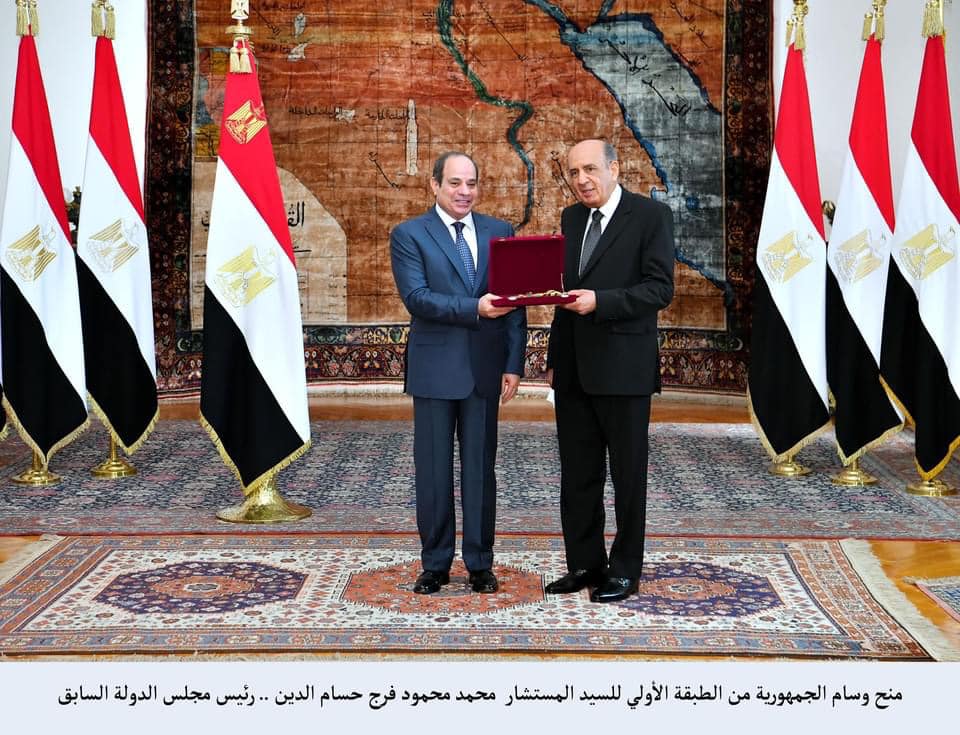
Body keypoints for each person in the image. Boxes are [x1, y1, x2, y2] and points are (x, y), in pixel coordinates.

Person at [390, 151, 527, 595]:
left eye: (471, 183)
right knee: (433, 473)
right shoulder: (409, 234)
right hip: (434, 370)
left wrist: (513, 363)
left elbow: (515, 303)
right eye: (454, 183)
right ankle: (435, 564)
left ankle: (480, 563)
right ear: (434, 185)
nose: (464, 191)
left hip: (485, 370)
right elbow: (417, 297)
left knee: (480, 471)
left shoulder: (500, 231)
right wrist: (475, 308)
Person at [545, 139, 674, 603]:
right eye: (574, 172)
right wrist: (554, 361)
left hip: (624, 370)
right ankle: (584, 564)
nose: (582, 180)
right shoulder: (571, 218)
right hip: (574, 371)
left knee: (627, 477)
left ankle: (624, 570)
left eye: (590, 170)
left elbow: (659, 289)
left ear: (614, 168)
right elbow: (564, 294)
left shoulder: (651, 216)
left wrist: (602, 302)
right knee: (578, 475)